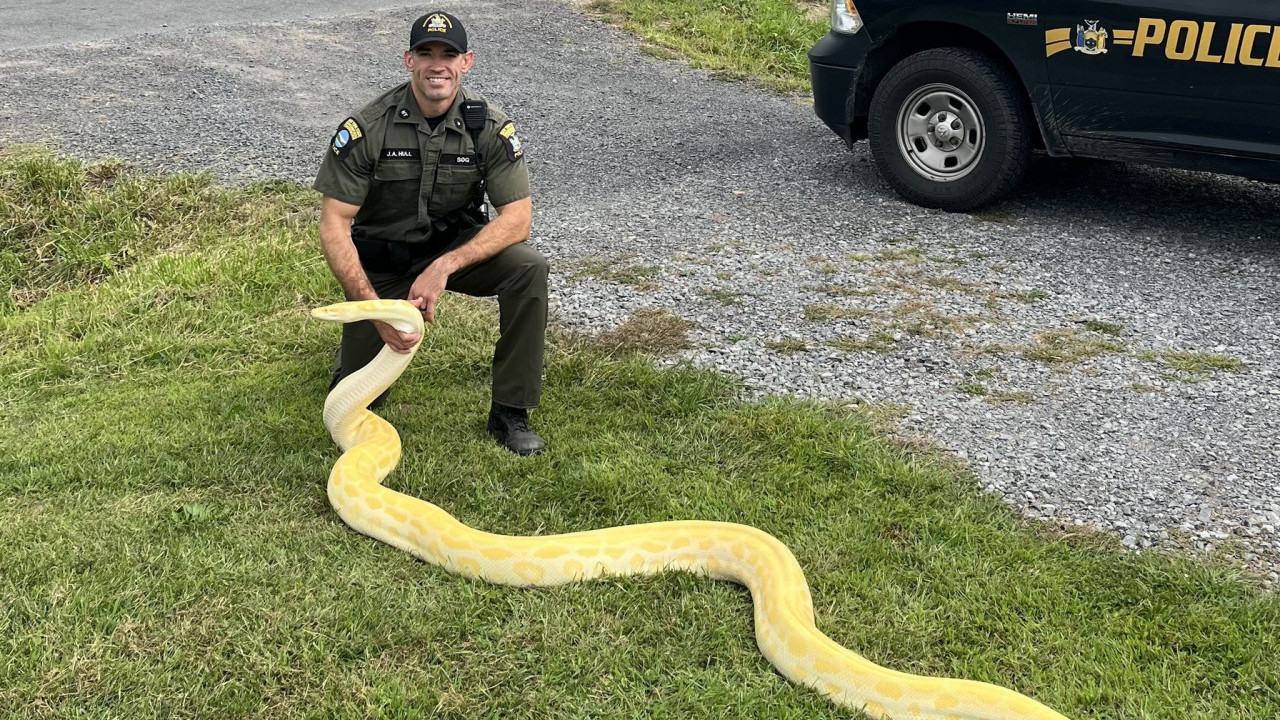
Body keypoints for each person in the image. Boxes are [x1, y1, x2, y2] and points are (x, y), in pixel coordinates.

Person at [313, 11, 548, 456]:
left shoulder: (490, 127)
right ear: (408, 60)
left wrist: (444, 266)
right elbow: (334, 223)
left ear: (467, 62)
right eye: (426, 53)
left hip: (452, 252)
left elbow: (518, 220)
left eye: (449, 54)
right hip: (384, 263)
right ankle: (354, 355)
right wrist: (372, 310)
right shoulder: (368, 128)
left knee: (529, 269)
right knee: (354, 401)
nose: (437, 64)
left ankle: (510, 412)